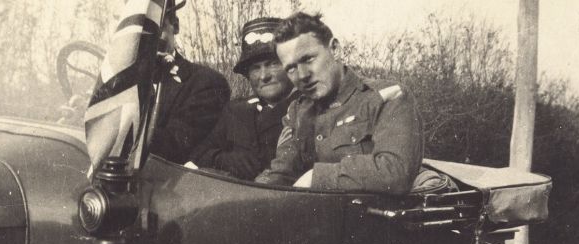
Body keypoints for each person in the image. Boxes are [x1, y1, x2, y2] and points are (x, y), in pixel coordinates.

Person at [255, 12, 423, 195]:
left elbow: (396, 171)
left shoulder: (386, 97)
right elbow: (282, 173)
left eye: (308, 59)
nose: (302, 75)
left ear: (335, 49)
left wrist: (316, 177)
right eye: (291, 68)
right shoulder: (298, 111)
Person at [189, 17, 297, 180]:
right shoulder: (236, 110)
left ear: (290, 65)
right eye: (255, 68)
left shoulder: (306, 107)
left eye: (272, 64)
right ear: (247, 75)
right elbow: (200, 154)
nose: (264, 76)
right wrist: (230, 161)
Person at [149, 0, 232, 164]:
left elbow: (177, 146)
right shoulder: (120, 85)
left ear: (175, 26)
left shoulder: (206, 82)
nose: (147, 40)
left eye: (155, 29)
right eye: (141, 33)